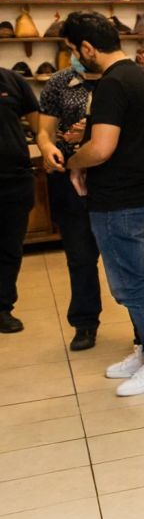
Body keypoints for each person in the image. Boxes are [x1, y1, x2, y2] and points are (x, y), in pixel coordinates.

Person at [60, 12, 144, 396]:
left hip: (119, 201)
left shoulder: (113, 83)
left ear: (87, 47)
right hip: (139, 193)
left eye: (74, 52)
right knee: (143, 276)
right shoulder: (137, 74)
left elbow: (101, 149)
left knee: (131, 285)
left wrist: (74, 163)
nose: (74, 61)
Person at [35, 53, 105, 350]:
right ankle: (85, 323)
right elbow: (43, 132)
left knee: (125, 255)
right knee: (79, 255)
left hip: (109, 175)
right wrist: (48, 147)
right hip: (67, 175)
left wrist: (90, 134)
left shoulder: (117, 79)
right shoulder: (60, 82)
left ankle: (143, 325)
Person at [0, 64, 39, 335]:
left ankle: (2, 308)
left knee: (10, 249)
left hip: (14, 179)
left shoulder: (12, 80)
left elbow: (40, 128)